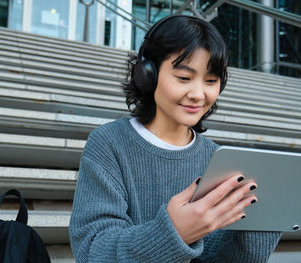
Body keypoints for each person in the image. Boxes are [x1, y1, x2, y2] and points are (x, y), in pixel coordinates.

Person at [69, 15, 281, 262]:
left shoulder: (218, 159)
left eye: (211, 81)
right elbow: (93, 250)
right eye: (184, 78)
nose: (198, 94)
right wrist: (174, 232)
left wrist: (263, 222)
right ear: (148, 74)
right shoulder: (109, 143)